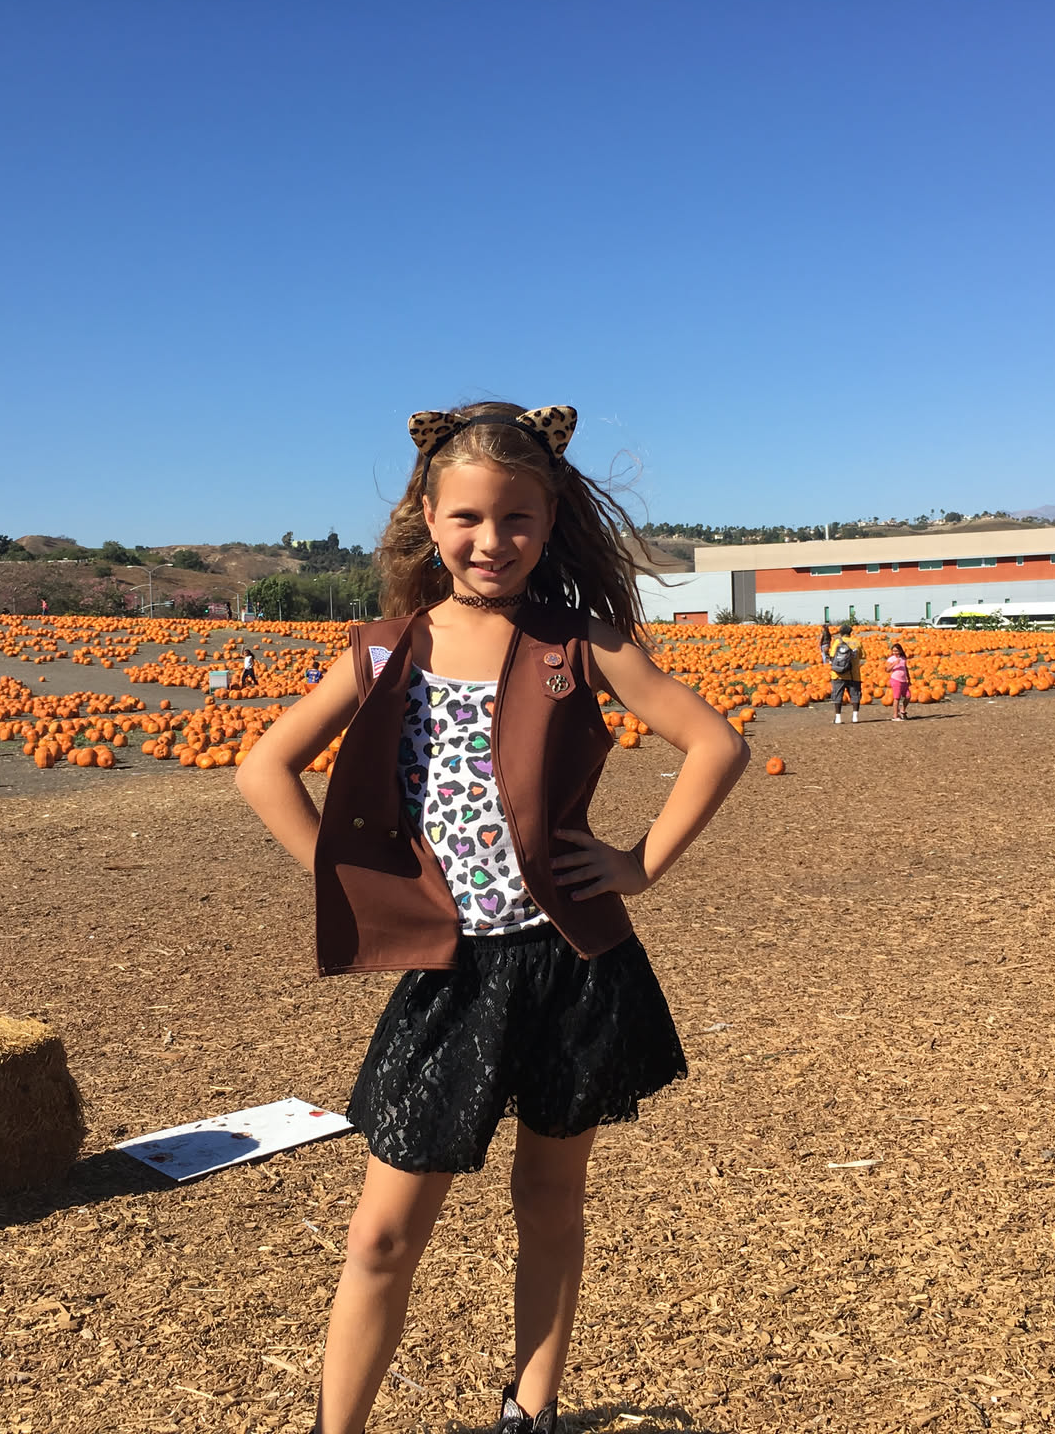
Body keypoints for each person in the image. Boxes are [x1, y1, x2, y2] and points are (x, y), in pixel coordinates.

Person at [236, 402, 748, 1434]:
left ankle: (532, 1407)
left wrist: (637, 864)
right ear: (428, 518)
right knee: (381, 1234)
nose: (492, 540)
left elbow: (716, 744)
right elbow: (264, 769)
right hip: (451, 974)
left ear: (550, 521)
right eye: (468, 517)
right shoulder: (384, 653)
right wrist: (362, 881)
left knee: (549, 1203)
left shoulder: (580, 643)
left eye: (517, 518)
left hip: (571, 966)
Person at [827, 623, 863, 723]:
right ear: (850, 632)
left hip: (839, 674)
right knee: (855, 695)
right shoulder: (857, 642)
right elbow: (862, 655)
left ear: (840, 633)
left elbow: (832, 655)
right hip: (854, 674)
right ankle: (855, 717)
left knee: (838, 695)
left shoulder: (838, 642)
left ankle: (838, 718)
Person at [886, 641, 911, 720]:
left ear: (900, 651)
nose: (895, 653)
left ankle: (902, 710)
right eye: (893, 651)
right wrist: (894, 663)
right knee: (897, 698)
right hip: (895, 680)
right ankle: (895, 715)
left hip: (904, 680)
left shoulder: (903, 658)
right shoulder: (891, 659)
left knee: (908, 696)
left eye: (896, 651)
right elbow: (887, 670)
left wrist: (908, 677)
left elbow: (905, 668)